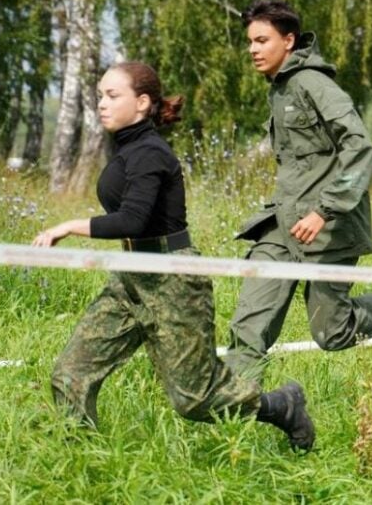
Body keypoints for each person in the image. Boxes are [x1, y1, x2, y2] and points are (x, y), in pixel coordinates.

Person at [33, 62, 314, 451]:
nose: (102, 104)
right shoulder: (128, 148)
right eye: (99, 95)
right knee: (70, 375)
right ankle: (82, 462)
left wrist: (67, 226)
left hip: (173, 280)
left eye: (112, 96)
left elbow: (132, 220)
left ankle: (281, 405)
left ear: (143, 102)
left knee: (194, 399)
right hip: (131, 277)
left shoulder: (150, 152)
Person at [225, 0, 372, 382]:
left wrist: (324, 210)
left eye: (262, 40)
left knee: (332, 332)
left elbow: (361, 147)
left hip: (328, 228)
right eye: (250, 41)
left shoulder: (313, 83)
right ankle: (235, 407)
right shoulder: (279, 90)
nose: (253, 49)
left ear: (289, 40)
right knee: (250, 321)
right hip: (283, 225)